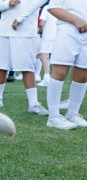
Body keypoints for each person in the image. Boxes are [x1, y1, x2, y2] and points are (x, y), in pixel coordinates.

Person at [0, 0, 49, 116]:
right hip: (4, 31)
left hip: (25, 32)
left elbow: (38, 3)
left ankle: (33, 104)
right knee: (1, 66)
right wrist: (7, 4)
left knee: (27, 67)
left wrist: (20, 18)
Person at [45, 0, 87, 130]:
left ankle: (72, 113)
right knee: (60, 72)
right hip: (68, 30)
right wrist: (76, 20)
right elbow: (53, 8)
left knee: (83, 74)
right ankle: (53, 117)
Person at [37, 3, 58, 87]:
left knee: (42, 54)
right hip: (58, 35)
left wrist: (40, 31)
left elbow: (42, 23)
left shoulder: (47, 7)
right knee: (53, 57)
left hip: (48, 35)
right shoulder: (62, 7)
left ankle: (47, 78)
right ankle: (52, 79)